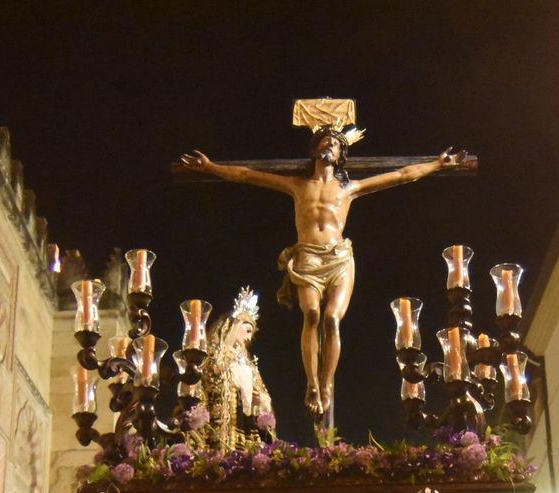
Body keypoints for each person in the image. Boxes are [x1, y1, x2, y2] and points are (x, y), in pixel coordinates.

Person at [180, 132, 462, 424]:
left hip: (339, 257)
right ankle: (311, 384)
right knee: (312, 314)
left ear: (341, 154)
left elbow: (402, 174)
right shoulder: (298, 185)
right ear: (315, 149)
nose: (330, 146)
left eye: (336, 144)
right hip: (307, 258)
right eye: (325, 142)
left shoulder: (349, 189)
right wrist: (211, 167)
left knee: (331, 319)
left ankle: (325, 383)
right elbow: (248, 175)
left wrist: (437, 164)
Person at [194, 287, 277, 452]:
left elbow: (263, 400)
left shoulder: (250, 367)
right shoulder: (214, 359)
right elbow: (205, 387)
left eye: (251, 335)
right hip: (222, 432)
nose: (248, 338)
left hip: (246, 432)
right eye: (247, 331)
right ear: (234, 326)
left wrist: (260, 402)